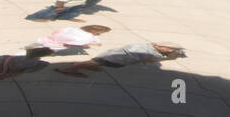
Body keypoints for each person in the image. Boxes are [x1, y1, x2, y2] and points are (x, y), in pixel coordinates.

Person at [56, 42, 186, 76]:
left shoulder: (150, 47)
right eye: (169, 49)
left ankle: (76, 66)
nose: (170, 52)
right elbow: (138, 57)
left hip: (115, 57)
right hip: (115, 58)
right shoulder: (145, 49)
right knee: (93, 62)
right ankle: (68, 69)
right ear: (159, 46)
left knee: (96, 63)